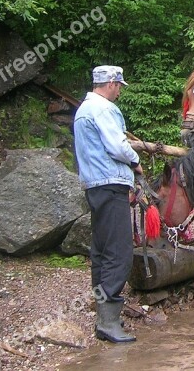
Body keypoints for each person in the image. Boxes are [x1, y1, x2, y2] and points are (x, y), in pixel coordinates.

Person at [73, 65, 143, 343]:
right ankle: (109, 322)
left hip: (95, 186)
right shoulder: (103, 109)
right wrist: (136, 163)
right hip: (111, 185)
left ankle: (104, 315)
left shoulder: (83, 110)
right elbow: (117, 146)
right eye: (119, 86)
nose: (119, 92)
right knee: (119, 251)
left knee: (101, 251)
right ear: (111, 83)